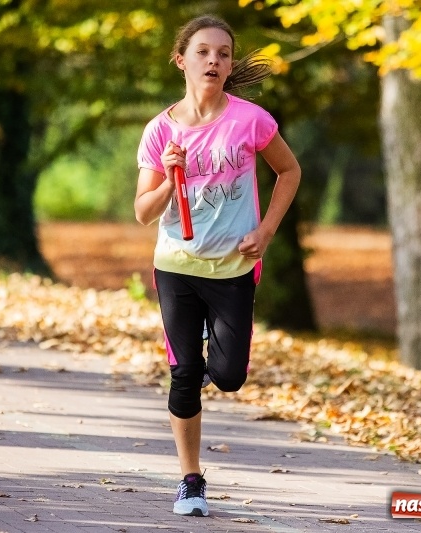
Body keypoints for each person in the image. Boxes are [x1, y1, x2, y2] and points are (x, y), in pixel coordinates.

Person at [134, 14, 302, 517]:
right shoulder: (159, 129)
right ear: (181, 60)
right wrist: (168, 178)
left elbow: (289, 171)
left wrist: (266, 230)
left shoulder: (250, 120)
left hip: (232, 268)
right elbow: (143, 212)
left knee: (228, 376)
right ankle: (191, 481)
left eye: (224, 54)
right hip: (177, 266)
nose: (214, 60)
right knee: (184, 374)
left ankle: (210, 363)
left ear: (230, 65)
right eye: (204, 52)